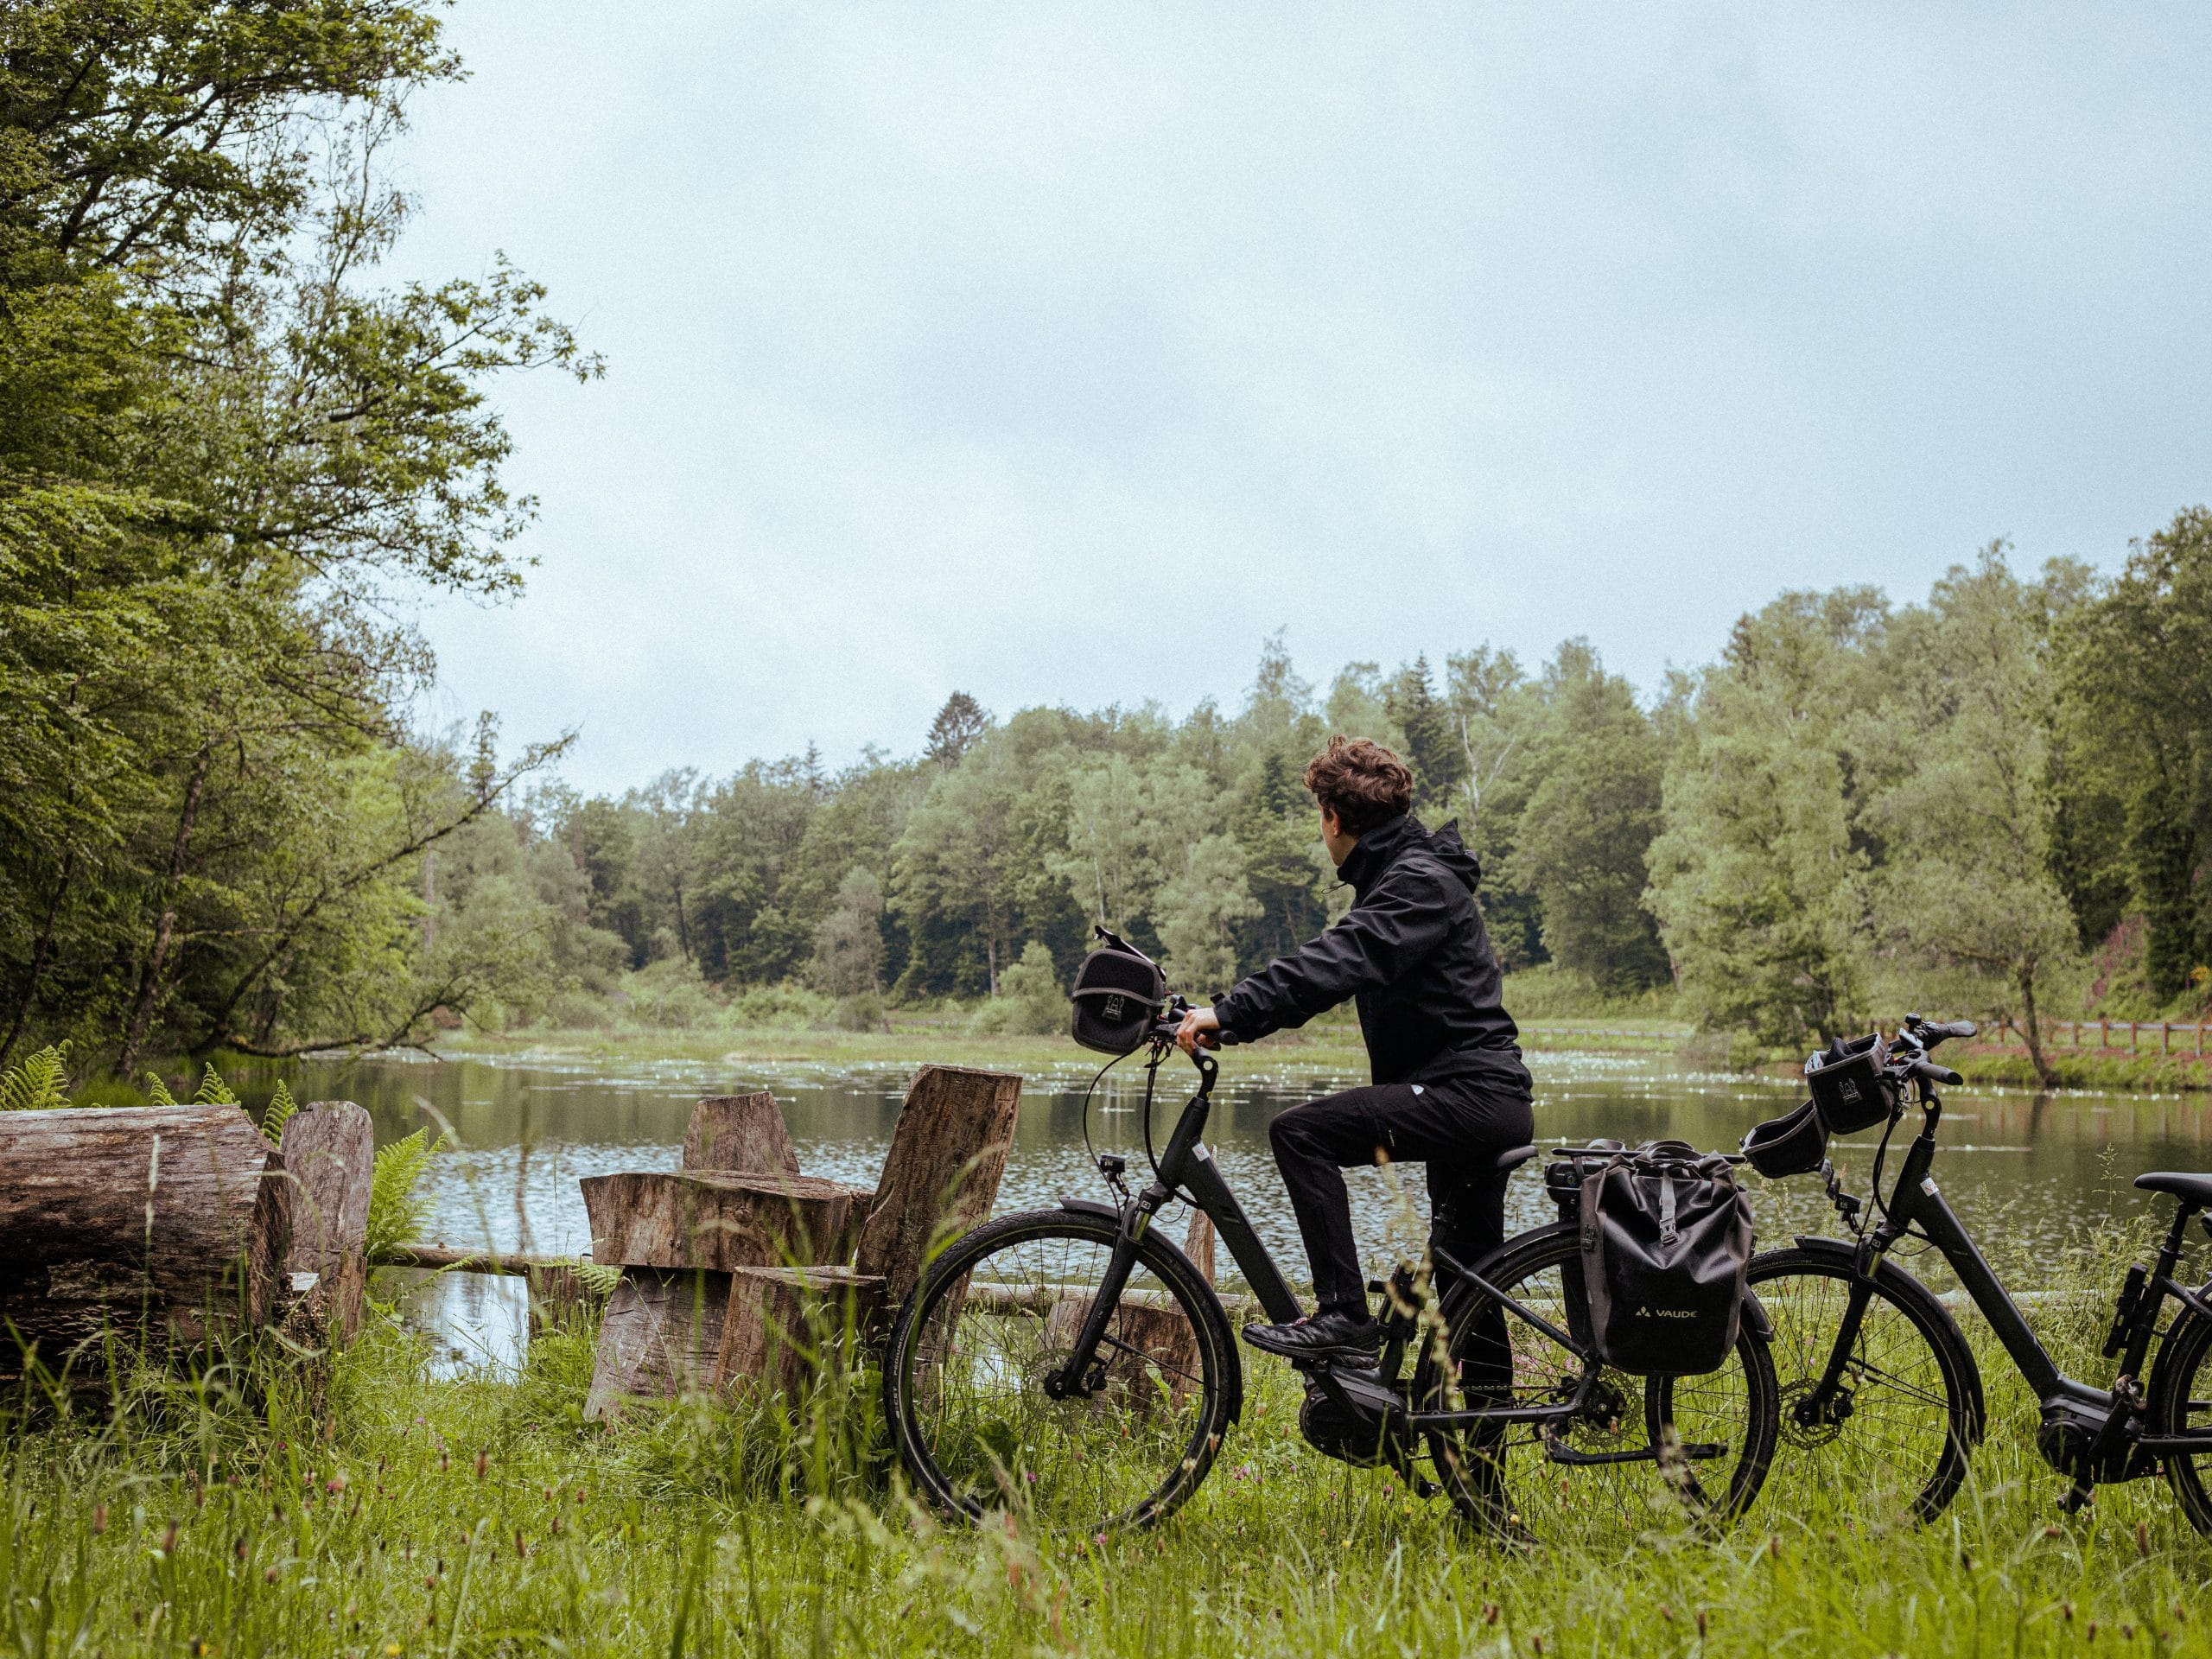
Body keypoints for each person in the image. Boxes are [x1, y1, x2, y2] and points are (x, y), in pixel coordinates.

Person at [1175, 735, 1533, 1363]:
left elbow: (1338, 961)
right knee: (1467, 1292)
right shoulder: (1410, 877)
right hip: (1478, 1098)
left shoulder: (1417, 882)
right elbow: (1338, 961)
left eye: (1320, 815)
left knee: (1300, 1134)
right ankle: (1477, 1461)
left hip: (1470, 1097)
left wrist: (1230, 1014)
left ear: (1334, 819)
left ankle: (1344, 1314)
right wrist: (1215, 1015)